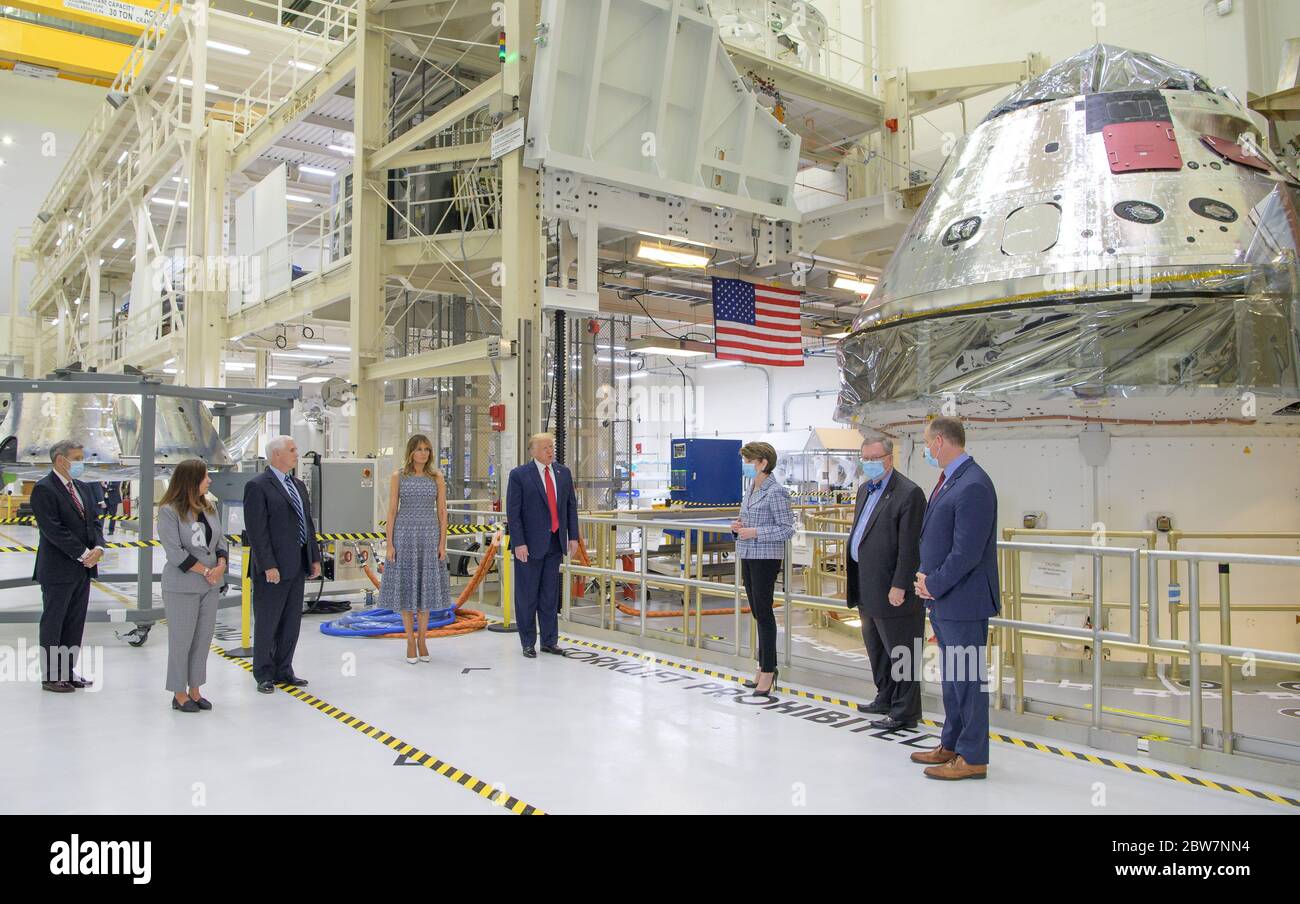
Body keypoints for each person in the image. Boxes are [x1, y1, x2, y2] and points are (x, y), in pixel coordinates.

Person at [912, 416, 1000, 781]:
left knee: (968, 680)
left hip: (963, 600)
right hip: (947, 598)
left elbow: (966, 552)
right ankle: (951, 743)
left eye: (927, 443)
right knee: (952, 679)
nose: (926, 450)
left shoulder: (974, 485)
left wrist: (933, 583)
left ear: (941, 442)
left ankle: (973, 756)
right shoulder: (951, 480)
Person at [844, 436, 926, 729]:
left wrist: (900, 584)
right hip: (866, 583)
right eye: (864, 458)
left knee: (901, 649)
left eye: (874, 458)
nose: (868, 464)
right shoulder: (865, 489)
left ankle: (906, 711)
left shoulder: (909, 493)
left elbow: (910, 547)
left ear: (889, 458)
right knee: (876, 647)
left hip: (893, 587)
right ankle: (885, 696)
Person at [243, 436, 321, 694]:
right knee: (268, 621)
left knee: (290, 621)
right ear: (276, 455)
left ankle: (284, 669)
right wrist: (268, 565)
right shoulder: (258, 486)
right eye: (292, 450)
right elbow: (257, 532)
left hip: (297, 564)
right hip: (272, 568)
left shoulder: (298, 485)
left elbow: (307, 524)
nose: (296, 454)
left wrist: (315, 558)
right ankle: (263, 673)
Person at [31, 439, 106, 693]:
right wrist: (84, 553)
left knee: (75, 621)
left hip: (82, 568)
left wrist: (98, 548)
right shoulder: (44, 489)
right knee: (54, 621)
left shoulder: (83, 488)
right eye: (76, 458)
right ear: (60, 460)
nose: (80, 463)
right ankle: (51, 675)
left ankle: (68, 670)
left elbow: (95, 522)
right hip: (58, 569)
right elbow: (53, 529)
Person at [157, 459, 227, 712]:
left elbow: (221, 541)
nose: (209, 481)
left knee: (202, 639)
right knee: (181, 640)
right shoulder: (169, 511)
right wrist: (206, 570)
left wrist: (220, 565)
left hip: (209, 586)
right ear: (191, 480)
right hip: (182, 585)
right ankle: (179, 693)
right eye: (206, 476)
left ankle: (195, 690)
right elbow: (174, 552)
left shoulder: (209, 507)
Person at [505, 433, 579, 658]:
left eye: (551, 447)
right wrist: (519, 543)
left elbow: (570, 508)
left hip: (555, 543)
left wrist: (573, 537)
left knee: (549, 595)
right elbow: (513, 513)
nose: (550, 451)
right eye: (546, 447)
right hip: (529, 545)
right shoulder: (519, 475)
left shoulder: (563, 473)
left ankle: (549, 641)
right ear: (533, 451)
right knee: (527, 596)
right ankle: (528, 642)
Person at [730, 441, 795, 697]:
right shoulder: (751, 489)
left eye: (749, 461)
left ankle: (769, 670)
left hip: (765, 558)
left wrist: (755, 532)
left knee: (765, 613)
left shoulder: (776, 492)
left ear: (763, 463)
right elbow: (747, 519)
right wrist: (738, 527)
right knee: (757, 612)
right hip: (747, 554)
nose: (745, 466)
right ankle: (761, 666)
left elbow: (787, 528)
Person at [383, 434, 454, 664]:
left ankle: (423, 639)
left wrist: (442, 543)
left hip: (429, 535)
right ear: (411, 452)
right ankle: (410, 640)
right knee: (407, 588)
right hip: (405, 535)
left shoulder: (437, 477)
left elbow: (443, 513)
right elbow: (392, 511)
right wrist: (390, 543)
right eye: (419, 449)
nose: (423, 453)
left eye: (426, 449)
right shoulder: (399, 477)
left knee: (425, 590)